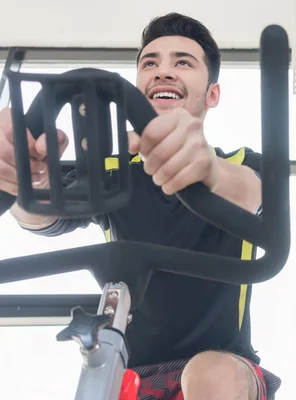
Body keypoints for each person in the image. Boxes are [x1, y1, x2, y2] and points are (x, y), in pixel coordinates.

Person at [0, 13, 280, 400]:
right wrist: (26, 183)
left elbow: (252, 196)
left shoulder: (243, 165)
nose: (163, 72)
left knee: (210, 376)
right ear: (139, 87)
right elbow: (43, 217)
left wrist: (208, 172)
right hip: (130, 373)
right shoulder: (114, 173)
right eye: (150, 63)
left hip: (224, 371)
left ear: (212, 95)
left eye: (182, 62)